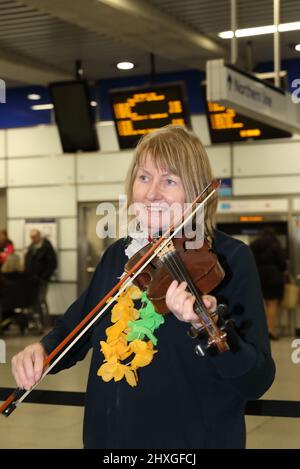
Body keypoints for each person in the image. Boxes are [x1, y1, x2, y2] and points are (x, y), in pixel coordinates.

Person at [11, 125, 275, 449]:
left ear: (195, 192)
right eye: (144, 177)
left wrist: (205, 327)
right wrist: (42, 351)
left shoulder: (229, 259)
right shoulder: (118, 256)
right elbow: (74, 329)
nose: (151, 194)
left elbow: (257, 379)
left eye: (169, 180)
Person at [250, 227, 287, 340]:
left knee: (262, 304)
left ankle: (263, 331)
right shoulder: (275, 244)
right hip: (274, 277)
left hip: (258, 277)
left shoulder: (254, 245)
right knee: (272, 304)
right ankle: (272, 330)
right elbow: (282, 263)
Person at [24, 229, 57, 329]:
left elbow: (52, 263)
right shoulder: (30, 248)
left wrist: (44, 276)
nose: (32, 239)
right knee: (33, 301)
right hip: (32, 280)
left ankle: (46, 322)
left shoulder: (47, 247)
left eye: (34, 237)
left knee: (41, 300)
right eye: (31, 237)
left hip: (42, 279)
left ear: (39, 236)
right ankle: (36, 322)